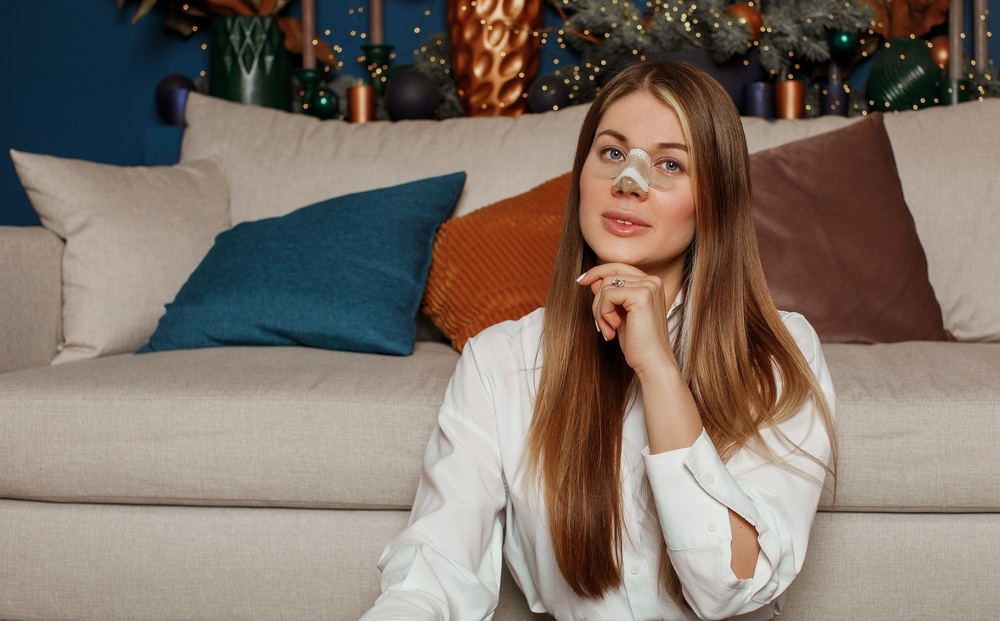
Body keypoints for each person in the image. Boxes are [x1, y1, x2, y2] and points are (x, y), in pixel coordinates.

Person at [359, 61, 836, 621]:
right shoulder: (500, 362)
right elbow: (437, 564)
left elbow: (732, 586)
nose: (627, 183)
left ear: (714, 200)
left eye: (669, 164)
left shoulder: (778, 352)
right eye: (611, 153)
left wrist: (658, 369)